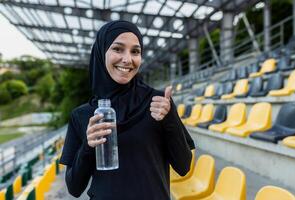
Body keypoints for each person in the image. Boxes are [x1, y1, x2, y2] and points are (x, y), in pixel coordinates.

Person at [60, 20, 195, 200]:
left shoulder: (159, 103)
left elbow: (184, 166)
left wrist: (169, 118)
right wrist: (88, 146)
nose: (127, 59)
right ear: (101, 52)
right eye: (118, 49)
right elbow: (74, 188)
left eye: (135, 51)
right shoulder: (82, 115)